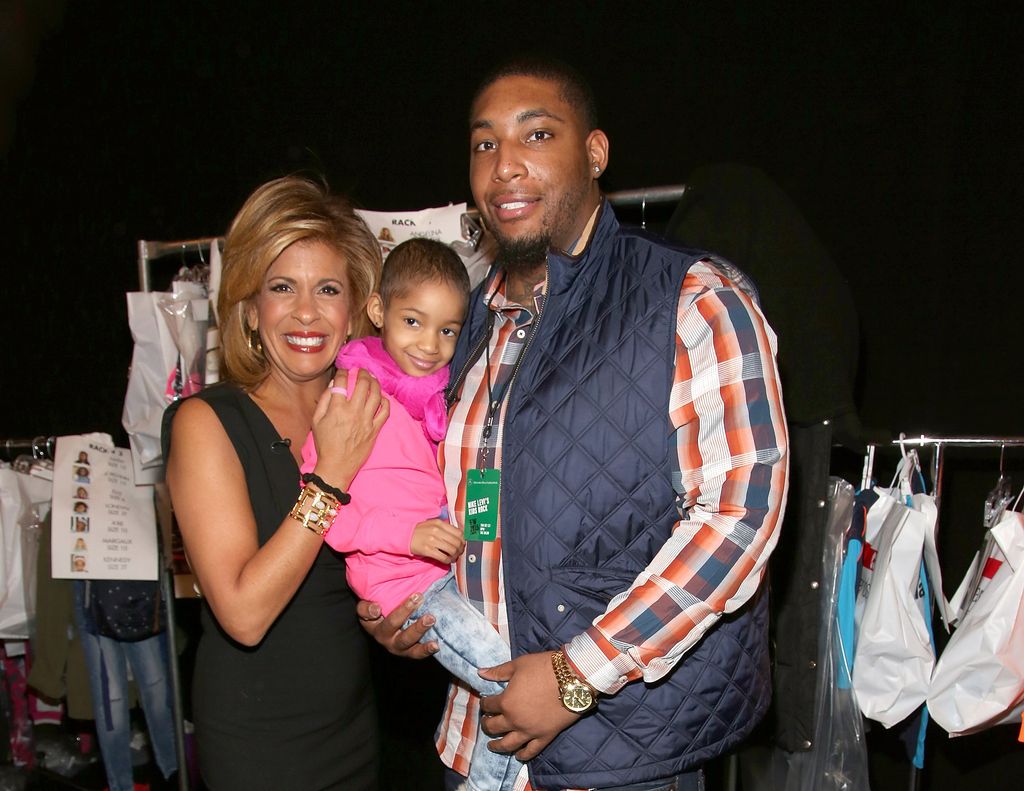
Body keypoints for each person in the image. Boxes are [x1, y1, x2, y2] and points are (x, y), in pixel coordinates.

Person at [359, 57, 789, 791]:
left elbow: (739, 517)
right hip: (476, 742)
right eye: (484, 144)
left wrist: (573, 674)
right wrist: (406, 594)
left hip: (620, 752)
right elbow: (444, 496)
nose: (505, 166)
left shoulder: (691, 299)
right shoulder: (462, 327)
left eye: (537, 134)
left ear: (594, 152)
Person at [163, 175, 387, 790]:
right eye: (282, 287)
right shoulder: (206, 422)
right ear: (251, 310)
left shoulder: (367, 413)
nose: (307, 312)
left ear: (355, 312)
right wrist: (330, 476)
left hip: (353, 725)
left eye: (329, 289)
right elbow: (243, 613)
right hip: (257, 739)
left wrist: (398, 621)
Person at [300, 237, 523, 791]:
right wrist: (410, 536)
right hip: (404, 587)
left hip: (442, 577)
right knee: (511, 684)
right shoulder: (353, 394)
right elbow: (327, 515)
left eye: (448, 330)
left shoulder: (432, 399)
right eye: (413, 322)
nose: (431, 344)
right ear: (378, 312)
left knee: (508, 679)